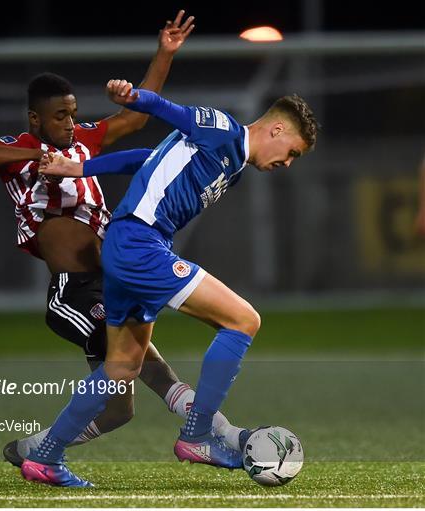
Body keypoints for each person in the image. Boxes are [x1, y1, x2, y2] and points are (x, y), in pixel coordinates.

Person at [0, 12, 246, 469]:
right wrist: (36, 152)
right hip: (73, 290)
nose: (71, 123)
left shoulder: (82, 143)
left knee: (119, 409)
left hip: (115, 276)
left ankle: (37, 449)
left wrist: (164, 55)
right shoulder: (17, 151)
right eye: (59, 116)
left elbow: (132, 118)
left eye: (73, 113)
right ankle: (219, 432)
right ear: (35, 118)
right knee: (138, 365)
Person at [26, 79, 319, 487]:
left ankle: (45, 457)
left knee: (121, 367)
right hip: (140, 244)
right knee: (243, 320)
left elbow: (147, 158)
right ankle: (197, 435)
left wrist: (80, 167)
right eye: (292, 153)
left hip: (130, 246)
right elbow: (171, 110)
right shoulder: (223, 130)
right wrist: (135, 98)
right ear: (277, 130)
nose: (287, 163)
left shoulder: (231, 163)